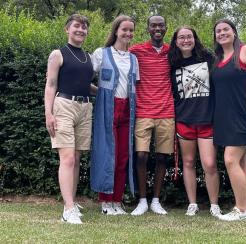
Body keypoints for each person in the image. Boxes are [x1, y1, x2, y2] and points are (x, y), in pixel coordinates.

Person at [211, 19, 246, 221]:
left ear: (234, 32)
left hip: (245, 116)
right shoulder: (218, 58)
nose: (222, 33)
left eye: (226, 29)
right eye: (218, 31)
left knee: (230, 159)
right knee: (242, 162)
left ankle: (241, 209)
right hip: (226, 118)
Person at [44, 14, 97, 224]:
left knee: (76, 159)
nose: (80, 30)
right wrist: (48, 113)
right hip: (63, 106)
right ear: (67, 29)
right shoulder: (57, 54)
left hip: (85, 107)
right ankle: (67, 210)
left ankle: (72, 202)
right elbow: (50, 84)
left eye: (84, 27)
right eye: (76, 26)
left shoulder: (89, 57)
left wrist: (102, 91)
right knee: (67, 159)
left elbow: (85, 85)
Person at [168, 26, 222, 217]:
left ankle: (214, 204)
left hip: (207, 118)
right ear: (176, 41)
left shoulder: (207, 57)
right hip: (184, 119)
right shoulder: (171, 62)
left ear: (194, 38)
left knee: (209, 164)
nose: (185, 40)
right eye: (181, 37)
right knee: (189, 162)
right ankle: (192, 203)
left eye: (189, 36)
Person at [90, 15, 139, 215]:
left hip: (128, 110)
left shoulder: (134, 58)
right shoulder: (102, 53)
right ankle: (105, 202)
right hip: (107, 108)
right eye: (124, 29)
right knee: (106, 155)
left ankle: (117, 201)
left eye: (131, 30)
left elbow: (135, 87)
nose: (127, 33)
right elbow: (84, 79)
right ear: (116, 31)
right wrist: (100, 93)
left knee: (122, 157)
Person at [129, 15, 175, 216]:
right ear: (148, 29)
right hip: (143, 111)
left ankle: (156, 200)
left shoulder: (172, 52)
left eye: (161, 25)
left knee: (162, 157)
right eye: (153, 25)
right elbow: (116, 56)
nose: (157, 28)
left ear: (166, 28)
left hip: (167, 111)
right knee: (141, 155)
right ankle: (142, 200)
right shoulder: (136, 50)